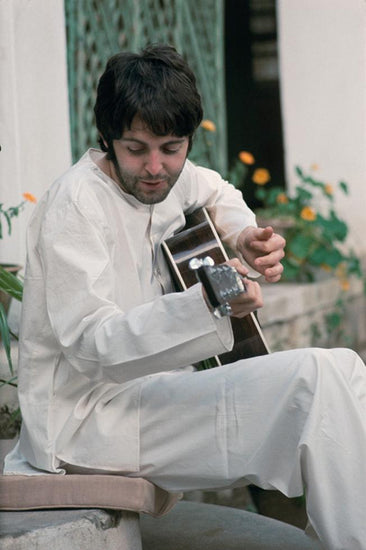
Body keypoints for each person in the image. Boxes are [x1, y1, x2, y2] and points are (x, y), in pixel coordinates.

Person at [4, 44, 366, 550]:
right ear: (107, 139)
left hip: (151, 398)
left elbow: (215, 191)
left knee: (345, 368)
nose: (156, 167)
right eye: (136, 149)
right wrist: (210, 303)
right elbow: (94, 345)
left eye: (172, 148)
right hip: (86, 422)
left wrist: (243, 237)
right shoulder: (74, 206)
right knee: (318, 379)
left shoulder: (172, 176)